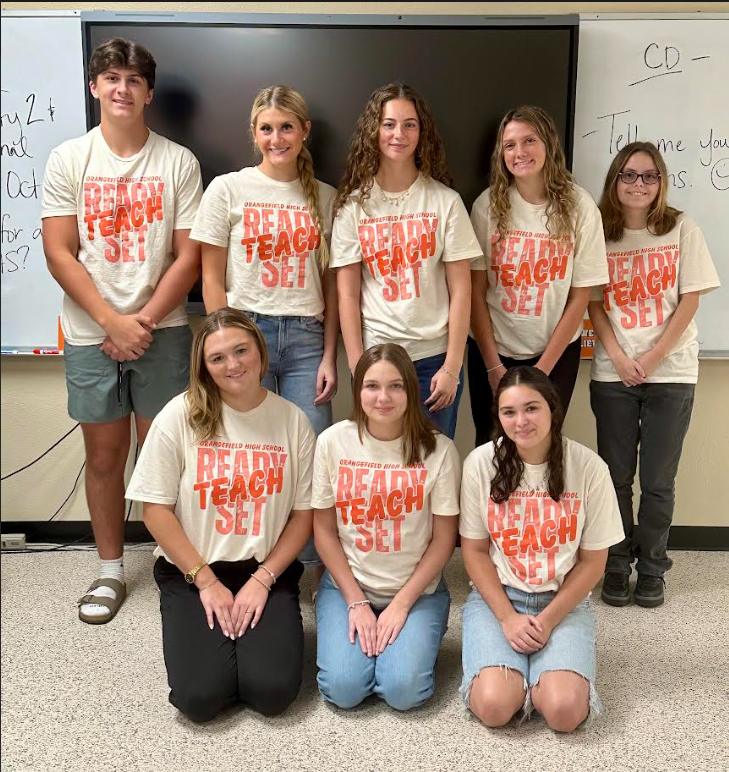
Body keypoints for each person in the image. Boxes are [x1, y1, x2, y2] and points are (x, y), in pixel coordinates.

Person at [42, 38, 203, 624]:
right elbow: (59, 252)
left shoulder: (178, 162)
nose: (122, 89)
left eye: (133, 80)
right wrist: (111, 322)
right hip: (91, 335)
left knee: (164, 453)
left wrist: (144, 322)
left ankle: (175, 561)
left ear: (149, 92)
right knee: (105, 457)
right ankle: (110, 570)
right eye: (111, 78)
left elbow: (189, 258)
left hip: (162, 330)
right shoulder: (68, 160)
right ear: (94, 87)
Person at [125, 309, 316, 722]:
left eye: (241, 350)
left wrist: (262, 580)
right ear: (204, 368)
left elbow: (303, 516)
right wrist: (207, 582)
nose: (233, 365)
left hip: (264, 570)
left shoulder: (293, 421)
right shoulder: (179, 416)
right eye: (218, 358)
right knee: (199, 699)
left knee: (273, 694)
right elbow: (154, 511)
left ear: (260, 352)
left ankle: (246, 649)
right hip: (194, 572)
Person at [588, 142, 720, 608]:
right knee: (616, 478)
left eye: (649, 176)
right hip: (613, 373)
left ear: (661, 183)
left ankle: (653, 569)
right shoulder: (599, 233)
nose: (639, 184)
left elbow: (690, 299)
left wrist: (655, 357)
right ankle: (617, 564)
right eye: (629, 175)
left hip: (673, 372)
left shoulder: (682, 228)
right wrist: (621, 359)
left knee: (659, 482)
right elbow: (594, 303)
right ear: (614, 182)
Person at [460, 366, 623, 732]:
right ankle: (517, 681)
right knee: (494, 706)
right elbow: (473, 552)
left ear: (553, 408)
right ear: (498, 417)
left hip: (561, 601)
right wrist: (506, 618)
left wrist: (546, 622)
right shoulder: (479, 464)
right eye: (509, 412)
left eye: (531, 408)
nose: (521, 421)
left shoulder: (589, 468)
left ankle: (536, 679)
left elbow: (594, 561)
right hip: (498, 598)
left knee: (565, 713)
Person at [312, 343, 460, 710]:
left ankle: (410, 639)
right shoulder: (333, 442)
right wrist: (356, 600)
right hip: (349, 585)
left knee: (403, 692)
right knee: (343, 691)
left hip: (415, 591)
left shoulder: (439, 450)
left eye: (395, 386)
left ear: (412, 390)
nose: (383, 398)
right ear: (357, 389)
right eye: (372, 386)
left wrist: (401, 605)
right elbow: (324, 531)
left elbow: (443, 541)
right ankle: (357, 637)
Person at [331, 83, 481, 439]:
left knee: (432, 470)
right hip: (378, 359)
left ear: (421, 131)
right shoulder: (353, 206)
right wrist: (357, 368)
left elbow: (462, 290)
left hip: (434, 361)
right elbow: (347, 295)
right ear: (374, 131)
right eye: (389, 124)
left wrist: (452, 367)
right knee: (385, 473)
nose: (399, 134)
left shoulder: (445, 202)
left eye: (410, 124)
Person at [191, 85, 337, 437]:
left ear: (305, 129)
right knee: (253, 446)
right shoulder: (227, 189)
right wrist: (226, 345)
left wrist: (330, 356)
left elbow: (332, 287)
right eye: (266, 129)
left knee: (311, 443)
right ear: (254, 134)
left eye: (287, 127)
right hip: (246, 331)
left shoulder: (327, 197)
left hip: (306, 339)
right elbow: (210, 279)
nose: (277, 139)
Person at [469, 105, 608, 446]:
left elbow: (580, 296)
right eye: (510, 145)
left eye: (529, 140)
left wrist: (541, 372)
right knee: (490, 447)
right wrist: (492, 368)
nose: (520, 152)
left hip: (556, 352)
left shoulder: (580, 206)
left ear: (548, 143)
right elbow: (475, 292)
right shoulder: (487, 206)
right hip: (492, 351)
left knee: (543, 448)